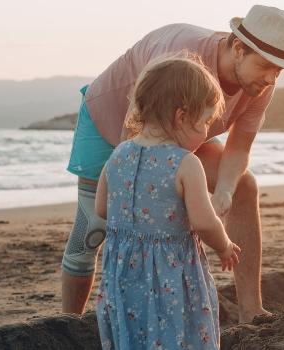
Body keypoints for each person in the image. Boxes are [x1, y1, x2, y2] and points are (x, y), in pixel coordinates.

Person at [60, 4, 284, 323]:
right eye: (266, 66)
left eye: (279, 70)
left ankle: (251, 311)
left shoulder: (259, 86)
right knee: (93, 228)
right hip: (113, 120)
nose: (271, 78)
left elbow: (238, 150)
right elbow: (133, 132)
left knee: (244, 185)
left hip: (187, 133)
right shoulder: (179, 55)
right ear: (238, 47)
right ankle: (68, 324)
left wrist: (225, 193)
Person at [94, 53, 241, 349]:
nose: (207, 133)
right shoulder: (185, 163)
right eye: (205, 122)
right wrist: (224, 245)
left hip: (122, 276)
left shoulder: (119, 154)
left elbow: (101, 208)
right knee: (177, 334)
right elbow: (203, 221)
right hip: (170, 276)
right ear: (182, 117)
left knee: (132, 336)